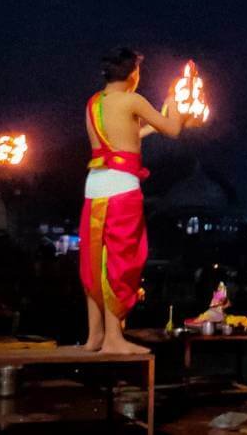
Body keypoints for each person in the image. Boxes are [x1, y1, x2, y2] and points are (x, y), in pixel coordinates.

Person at [79, 47, 192, 354]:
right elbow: (173, 129)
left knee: (94, 259)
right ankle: (115, 338)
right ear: (133, 74)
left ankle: (95, 337)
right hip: (121, 187)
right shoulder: (133, 99)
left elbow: (121, 139)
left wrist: (151, 125)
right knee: (120, 259)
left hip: (95, 186)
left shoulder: (93, 103)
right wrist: (174, 108)